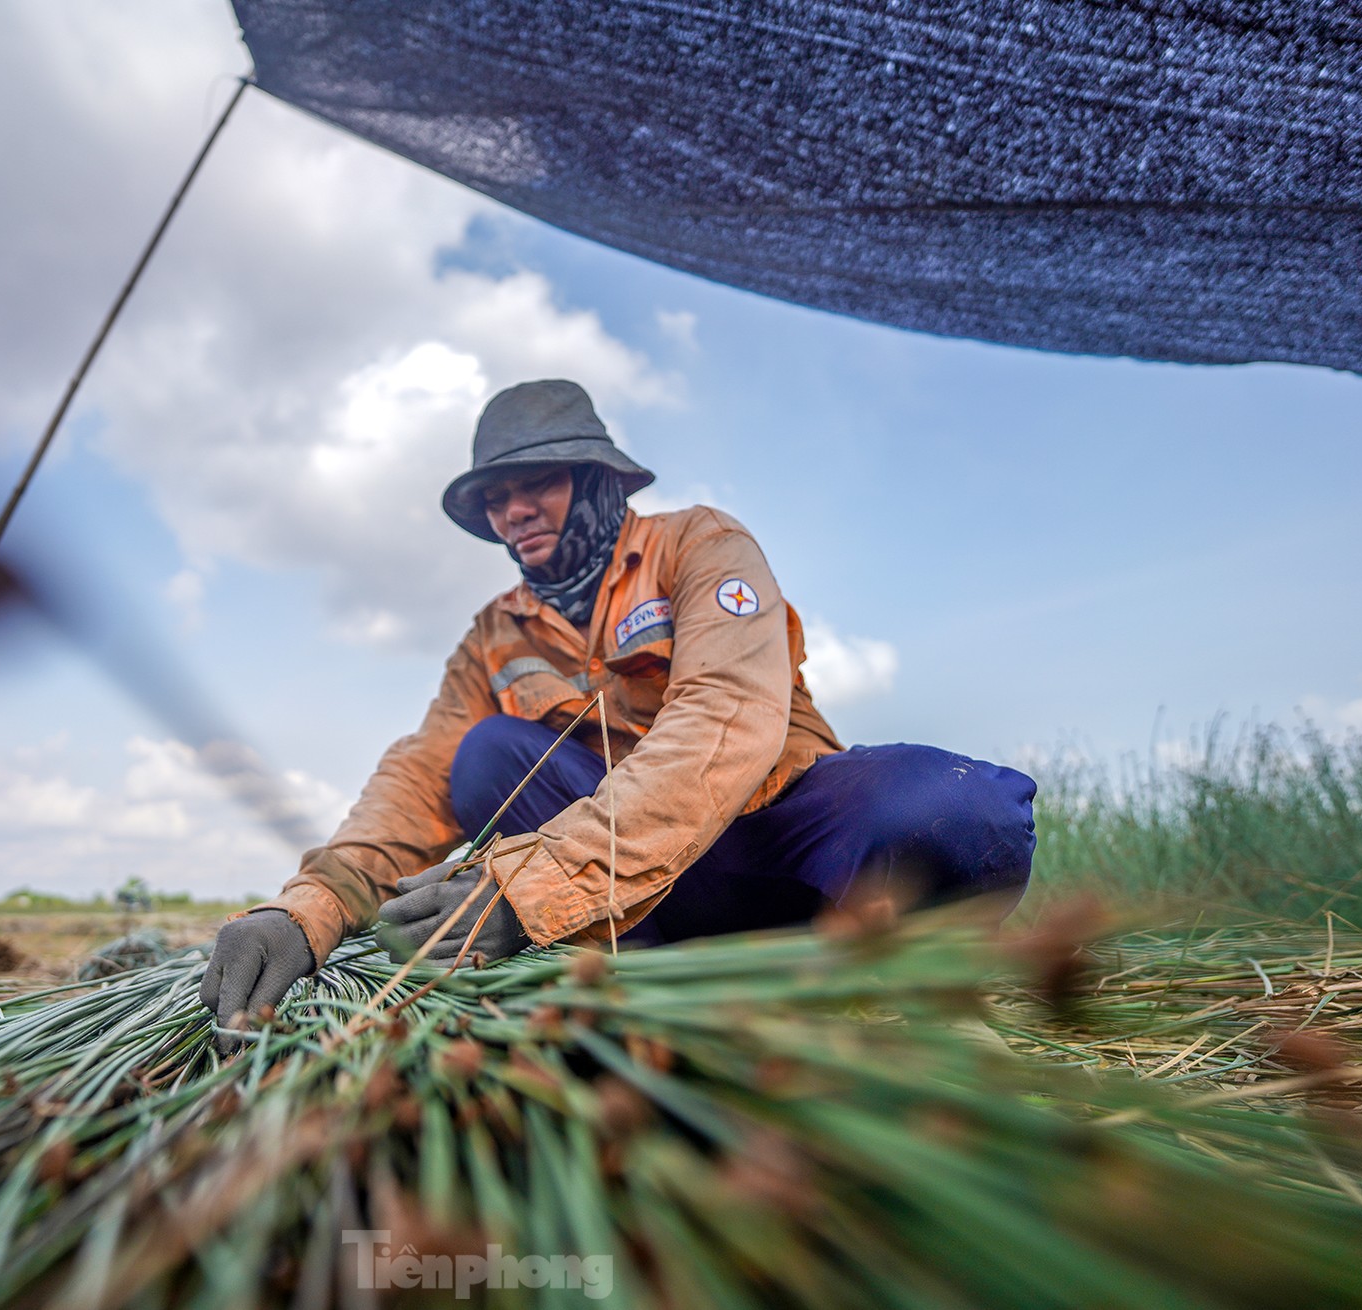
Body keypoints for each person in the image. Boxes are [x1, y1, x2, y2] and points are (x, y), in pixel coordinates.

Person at [199, 379, 1036, 1039]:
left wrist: (529, 889)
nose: (514, 511)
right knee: (485, 750)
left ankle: (890, 972)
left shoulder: (699, 546)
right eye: (497, 498)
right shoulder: (495, 633)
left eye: (538, 484)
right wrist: (305, 911)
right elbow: (417, 777)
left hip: (772, 843)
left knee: (958, 806)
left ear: (598, 479)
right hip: (643, 902)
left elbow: (723, 719)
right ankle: (646, 981)